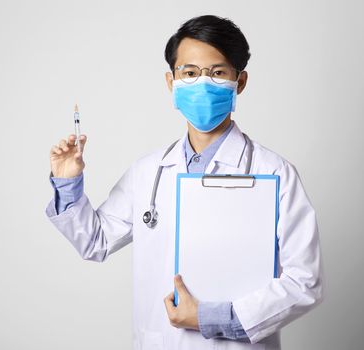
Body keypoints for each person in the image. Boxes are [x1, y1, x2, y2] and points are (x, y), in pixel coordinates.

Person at [45, 15, 323, 350]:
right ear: (171, 81)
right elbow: (96, 242)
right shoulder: (148, 171)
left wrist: (213, 318)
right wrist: (67, 183)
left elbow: (304, 281)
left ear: (241, 81)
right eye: (189, 73)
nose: (202, 84)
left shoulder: (275, 172)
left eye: (217, 73)